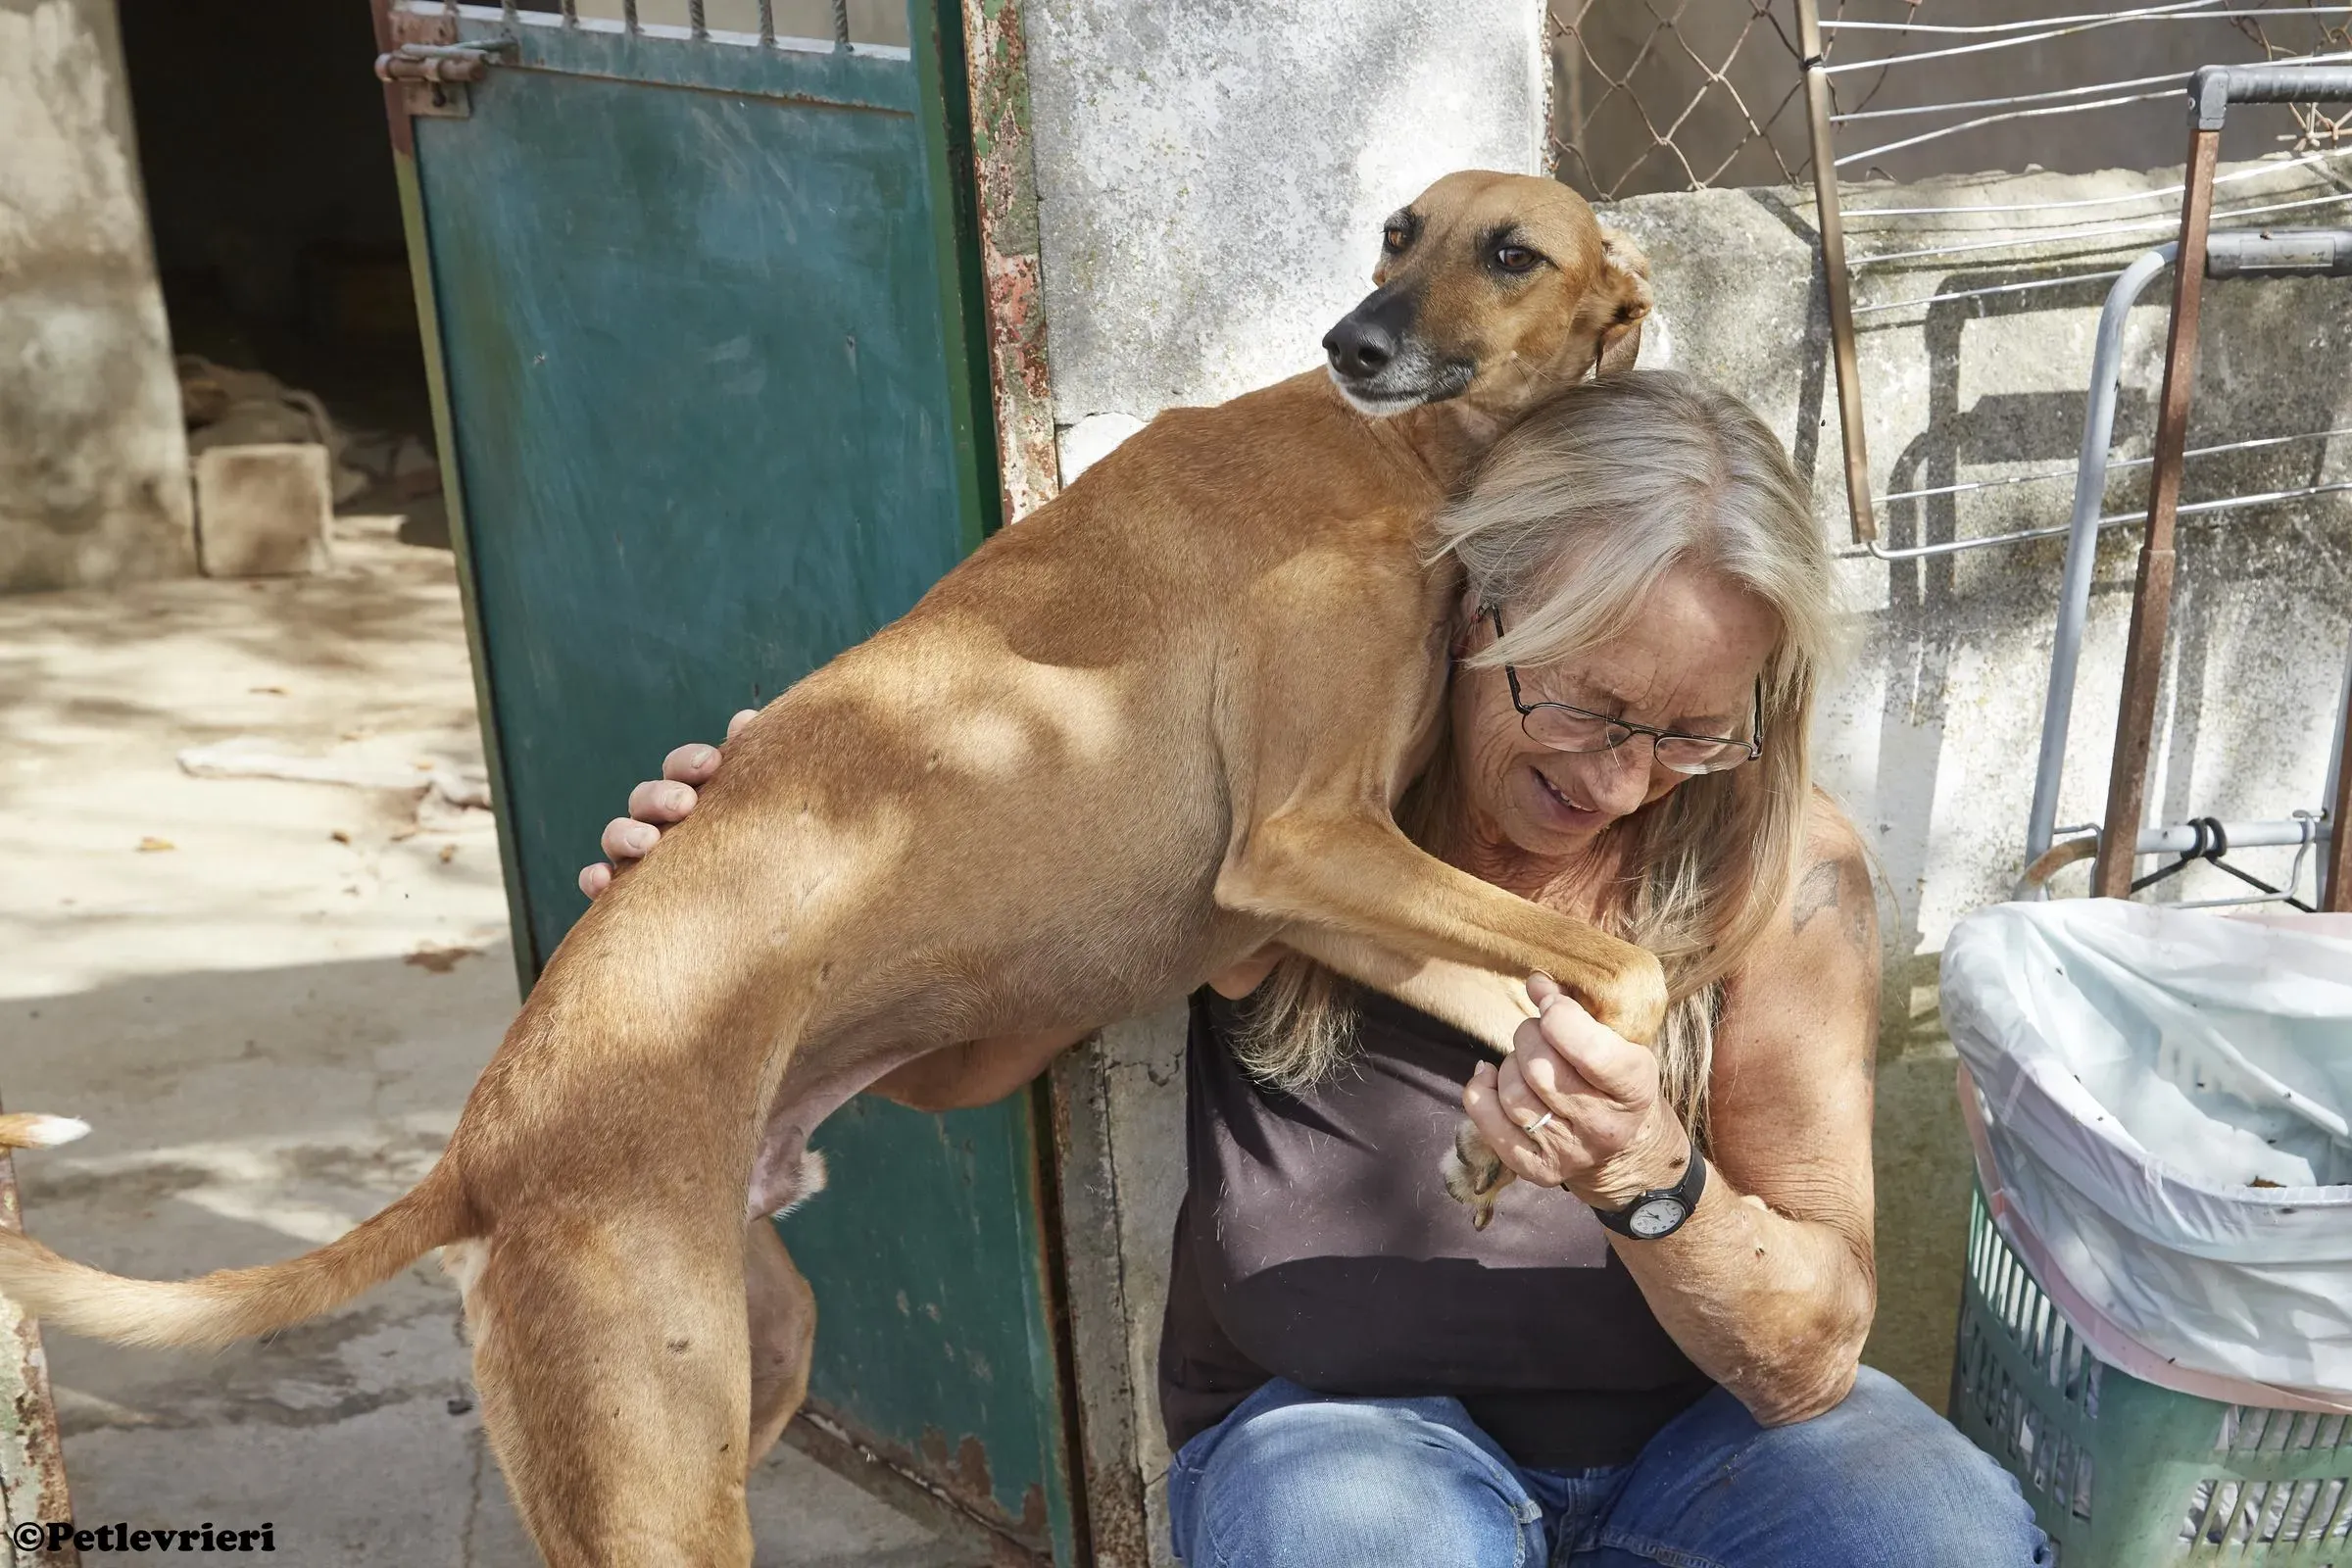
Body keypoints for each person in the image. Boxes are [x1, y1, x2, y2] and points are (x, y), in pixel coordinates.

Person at [579, 370, 2050, 1567]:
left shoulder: (1787, 870)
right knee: (1345, 1534)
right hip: (1346, 1433)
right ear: (1476, 612)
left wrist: (1647, 1179)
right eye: (1583, 703)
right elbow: (959, 1065)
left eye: (1687, 732)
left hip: (1694, 1446)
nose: (1621, 781)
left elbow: (1807, 1357)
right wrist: (745, 943)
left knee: (1941, 1531)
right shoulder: (1304, 819)